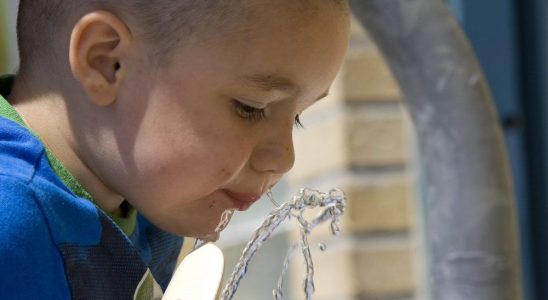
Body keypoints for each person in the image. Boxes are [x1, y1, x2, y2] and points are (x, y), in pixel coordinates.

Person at [0, 0, 350, 298]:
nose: (285, 158)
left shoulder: (142, 196)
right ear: (107, 63)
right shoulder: (13, 228)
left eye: (298, 118)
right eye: (252, 107)